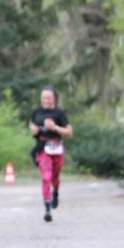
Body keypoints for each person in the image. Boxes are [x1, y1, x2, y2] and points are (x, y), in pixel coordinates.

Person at [29, 86, 72, 222]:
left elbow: (69, 132)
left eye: (49, 98)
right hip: (42, 148)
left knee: (55, 177)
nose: (46, 100)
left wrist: (55, 128)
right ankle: (47, 208)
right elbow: (32, 126)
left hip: (57, 146)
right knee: (46, 177)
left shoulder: (60, 113)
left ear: (54, 98)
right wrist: (34, 130)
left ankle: (56, 192)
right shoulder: (36, 112)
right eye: (43, 98)